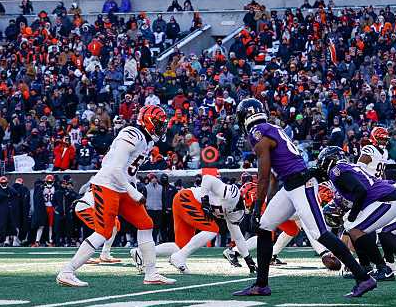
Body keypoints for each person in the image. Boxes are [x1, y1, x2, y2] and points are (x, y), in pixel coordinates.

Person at [232, 99, 376, 298]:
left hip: (301, 184)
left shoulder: (258, 133)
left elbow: (263, 176)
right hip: (290, 185)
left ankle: (363, 277)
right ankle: (261, 284)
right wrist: (266, 204)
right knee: (265, 226)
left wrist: (256, 206)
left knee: (320, 233)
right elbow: (273, 178)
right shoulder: (271, 128)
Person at [56, 105, 175, 287]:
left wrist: (132, 185)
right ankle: (67, 271)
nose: (161, 128)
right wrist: (133, 191)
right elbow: (114, 169)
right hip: (108, 185)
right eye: (159, 124)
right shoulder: (131, 134)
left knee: (145, 224)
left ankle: (151, 273)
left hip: (121, 187)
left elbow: (120, 166)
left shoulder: (147, 140)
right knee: (104, 231)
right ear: (148, 122)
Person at [315, 146, 396, 282]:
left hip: (386, 199)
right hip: (384, 198)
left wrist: (353, 215)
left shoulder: (337, 170)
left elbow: (360, 191)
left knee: (354, 228)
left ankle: (384, 269)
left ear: (329, 160)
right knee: (352, 228)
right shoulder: (347, 167)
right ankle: (365, 267)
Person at [152, 168, 255, 273]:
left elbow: (238, 237)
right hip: (187, 197)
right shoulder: (230, 193)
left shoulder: (238, 213)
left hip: (184, 202)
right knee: (212, 229)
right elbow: (207, 178)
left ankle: (143, 253)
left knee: (182, 246)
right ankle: (179, 257)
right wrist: (205, 200)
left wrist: (248, 259)